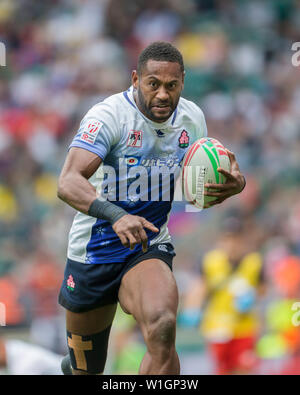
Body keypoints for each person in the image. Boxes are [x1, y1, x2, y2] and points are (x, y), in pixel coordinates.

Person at [57, 41, 246, 375]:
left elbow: (191, 188)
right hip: (93, 252)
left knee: (162, 327)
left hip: (147, 245)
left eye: (171, 85)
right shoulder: (108, 116)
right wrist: (116, 215)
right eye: (153, 84)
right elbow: (68, 181)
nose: (162, 94)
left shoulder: (191, 119)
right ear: (135, 79)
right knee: (86, 371)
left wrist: (234, 184)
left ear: (183, 82)